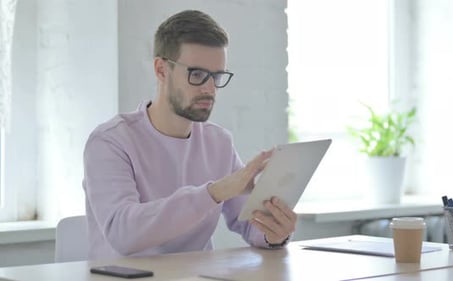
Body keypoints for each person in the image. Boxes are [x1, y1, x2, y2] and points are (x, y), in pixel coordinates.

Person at [82, 9, 297, 260]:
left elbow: (251, 225)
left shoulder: (218, 143)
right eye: (196, 74)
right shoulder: (110, 141)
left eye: (216, 76)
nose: (209, 88)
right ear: (161, 70)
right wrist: (215, 192)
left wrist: (274, 232)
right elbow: (124, 234)